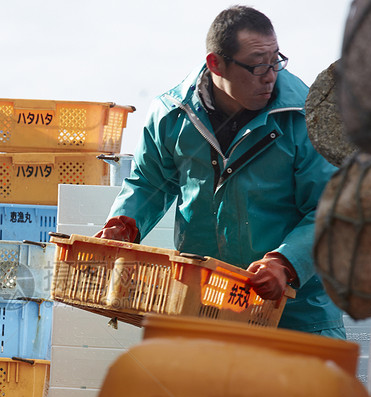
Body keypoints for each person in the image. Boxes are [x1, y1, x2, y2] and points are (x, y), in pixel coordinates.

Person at [95, 5, 345, 337]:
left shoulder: (309, 118)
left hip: (295, 318)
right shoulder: (171, 115)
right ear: (216, 63)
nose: (270, 74)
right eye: (257, 65)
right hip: (203, 307)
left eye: (276, 60)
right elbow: (149, 182)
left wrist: (285, 264)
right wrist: (125, 224)